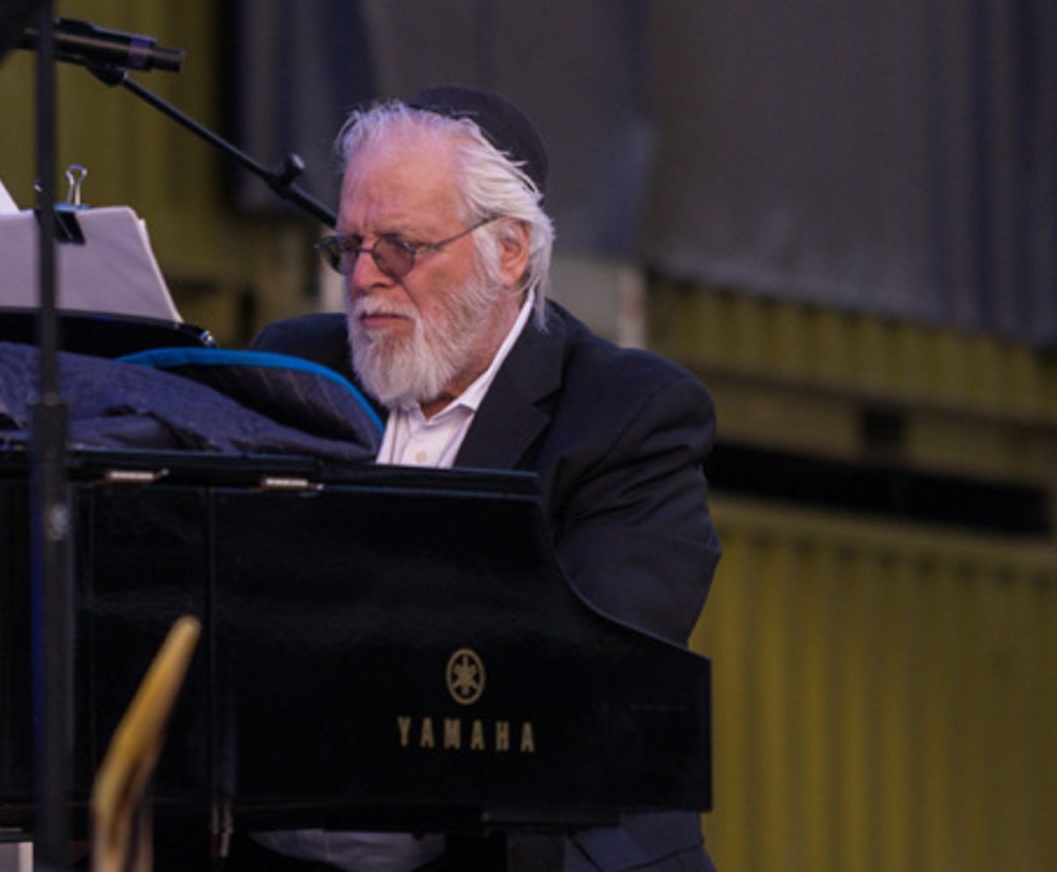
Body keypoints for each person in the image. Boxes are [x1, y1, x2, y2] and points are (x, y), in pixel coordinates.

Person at [247, 85, 720, 872]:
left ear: (509, 251)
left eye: (398, 246)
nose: (362, 279)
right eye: (348, 247)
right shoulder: (294, 364)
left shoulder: (630, 416)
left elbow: (584, 680)